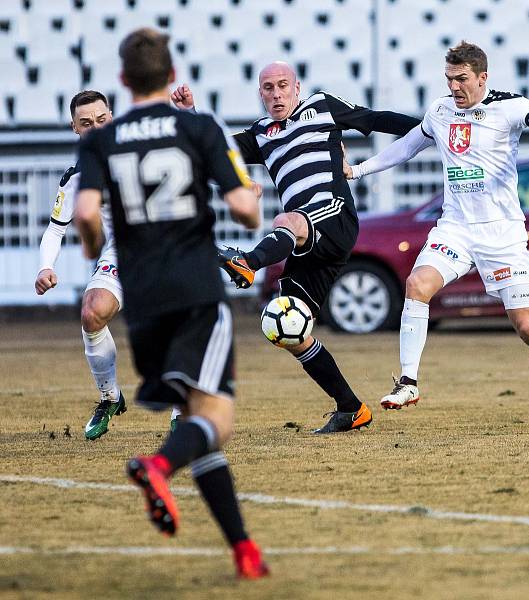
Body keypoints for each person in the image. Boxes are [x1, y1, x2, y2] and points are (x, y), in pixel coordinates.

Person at [73, 28, 269, 578]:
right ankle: (158, 466)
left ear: (122, 82)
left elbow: (88, 217)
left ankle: (243, 551)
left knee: (195, 417)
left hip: (141, 298)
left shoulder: (97, 142)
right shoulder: (197, 126)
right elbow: (245, 210)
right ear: (172, 74)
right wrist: (245, 200)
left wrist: (95, 250)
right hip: (194, 291)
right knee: (218, 418)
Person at [345, 42, 529, 428]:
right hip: (456, 228)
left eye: (462, 79)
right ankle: (408, 382)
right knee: (417, 285)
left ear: (482, 77)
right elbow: (406, 148)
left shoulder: (509, 107)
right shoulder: (439, 111)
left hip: (502, 234)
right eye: (449, 79)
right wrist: (359, 171)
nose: (454, 87)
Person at [171, 62, 420, 433]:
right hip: (307, 240)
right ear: (261, 94)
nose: (276, 93)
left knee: (286, 221)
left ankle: (248, 262)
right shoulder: (259, 134)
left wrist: (430, 126)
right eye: (268, 88)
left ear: (297, 87)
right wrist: (190, 114)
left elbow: (374, 118)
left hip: (333, 216)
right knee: (287, 326)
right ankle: (351, 408)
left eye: (282, 85)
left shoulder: (321, 106)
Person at [34, 91, 133, 440]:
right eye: (86, 123)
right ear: (74, 128)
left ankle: (183, 412)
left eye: (102, 120)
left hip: (165, 247)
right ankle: (109, 397)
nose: (95, 129)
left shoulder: (143, 150)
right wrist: (45, 266)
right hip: (121, 253)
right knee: (91, 313)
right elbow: (55, 229)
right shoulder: (77, 176)